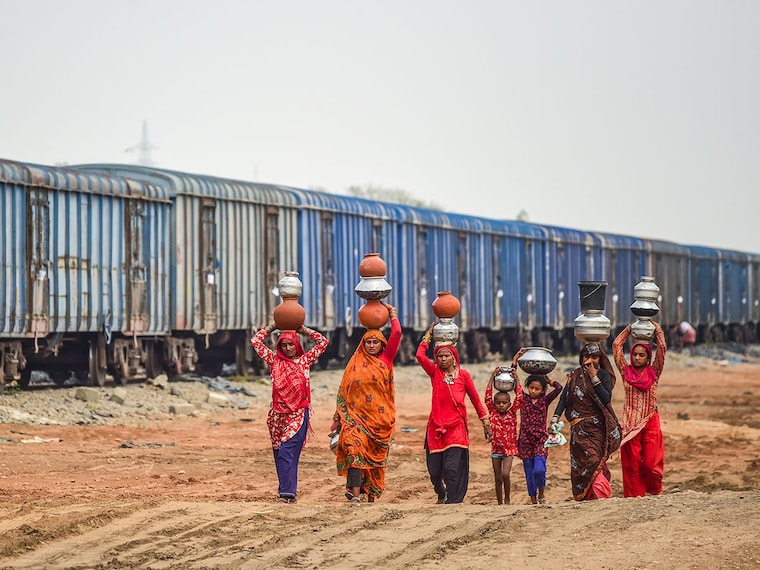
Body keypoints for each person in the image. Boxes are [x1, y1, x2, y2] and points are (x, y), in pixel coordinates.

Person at [250, 323, 329, 504]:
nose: (287, 349)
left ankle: (285, 493)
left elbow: (323, 342)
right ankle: (289, 492)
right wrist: (271, 327)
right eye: (284, 345)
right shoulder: (274, 361)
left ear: (297, 345)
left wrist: (305, 330)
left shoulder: (304, 361)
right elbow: (255, 340)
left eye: (291, 344)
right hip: (277, 415)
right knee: (281, 455)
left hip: (298, 413)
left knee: (287, 451)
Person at [332, 301, 401, 503]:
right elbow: (344, 391)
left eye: (375, 342)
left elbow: (396, 335)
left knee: (373, 460)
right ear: (363, 344)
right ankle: (354, 493)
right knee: (354, 449)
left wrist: (392, 314)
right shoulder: (355, 363)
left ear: (382, 345)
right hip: (354, 420)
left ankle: (370, 494)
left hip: (379, 421)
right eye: (368, 342)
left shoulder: (385, 360)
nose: (371, 345)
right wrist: (338, 418)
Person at [417, 321, 491, 504]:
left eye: (446, 356)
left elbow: (475, 399)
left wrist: (486, 423)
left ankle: (453, 501)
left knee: (451, 469)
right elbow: (419, 355)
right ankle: (440, 493)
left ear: (454, 358)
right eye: (440, 356)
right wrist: (428, 335)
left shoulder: (464, 375)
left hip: (456, 428)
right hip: (436, 428)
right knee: (434, 472)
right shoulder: (435, 373)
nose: (442, 359)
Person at [551, 343, 621, 501]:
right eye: (586, 357)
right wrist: (555, 418)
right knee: (581, 463)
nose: (589, 360)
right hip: (578, 429)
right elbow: (564, 398)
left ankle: (600, 494)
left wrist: (593, 377)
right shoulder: (574, 375)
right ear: (581, 358)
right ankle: (588, 497)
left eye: (594, 357)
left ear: (600, 359)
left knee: (594, 459)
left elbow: (606, 398)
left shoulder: (603, 375)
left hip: (596, 429)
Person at [612, 322, 667, 498]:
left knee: (651, 464)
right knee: (632, 464)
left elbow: (662, 350)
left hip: (650, 420)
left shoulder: (654, 372)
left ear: (647, 357)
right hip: (630, 423)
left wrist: (657, 330)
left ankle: (654, 490)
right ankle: (634, 496)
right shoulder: (625, 371)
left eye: (641, 355)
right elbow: (616, 346)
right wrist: (629, 329)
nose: (636, 358)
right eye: (634, 354)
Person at [516, 351, 563, 505]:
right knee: (529, 473)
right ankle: (533, 500)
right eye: (531, 388)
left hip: (540, 440)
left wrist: (549, 381)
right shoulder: (523, 399)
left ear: (542, 391)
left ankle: (541, 492)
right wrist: (515, 361)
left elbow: (559, 388)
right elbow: (514, 383)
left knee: (539, 470)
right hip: (525, 441)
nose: (533, 391)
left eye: (537, 389)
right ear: (528, 387)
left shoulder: (545, 400)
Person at [485, 360, 523, 505]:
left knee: (505, 474)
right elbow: (488, 397)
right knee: (497, 478)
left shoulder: (512, 413)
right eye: (498, 403)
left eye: (504, 403)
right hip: (496, 449)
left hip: (509, 449)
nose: (501, 405)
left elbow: (519, 398)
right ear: (494, 404)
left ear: (509, 403)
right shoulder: (492, 413)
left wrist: (517, 379)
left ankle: (507, 499)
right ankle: (500, 503)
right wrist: (492, 377)